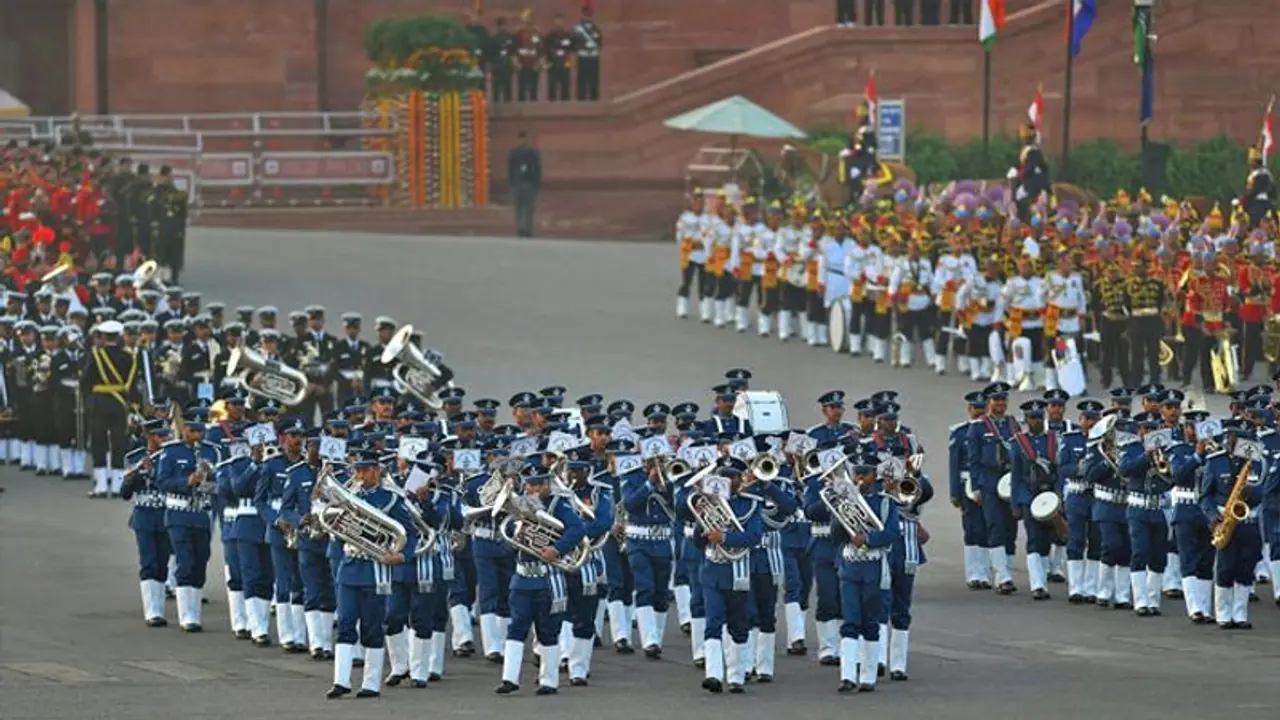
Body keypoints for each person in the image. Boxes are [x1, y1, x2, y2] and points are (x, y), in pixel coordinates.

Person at [327, 451, 415, 699]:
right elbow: (335, 530)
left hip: (376, 570)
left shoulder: (390, 499)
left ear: (376, 470)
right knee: (345, 624)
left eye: (363, 470)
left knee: (372, 627)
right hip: (349, 566)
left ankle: (371, 683)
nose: (358, 475)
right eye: (356, 470)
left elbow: (410, 534)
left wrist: (402, 556)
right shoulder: (348, 496)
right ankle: (341, 681)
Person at [495, 471, 586, 695]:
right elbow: (505, 545)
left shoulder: (559, 505)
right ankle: (509, 678)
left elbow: (578, 529)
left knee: (548, 629)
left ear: (547, 485)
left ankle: (549, 681)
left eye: (537, 485)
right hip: (522, 578)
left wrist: (557, 548)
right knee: (516, 626)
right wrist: (517, 538)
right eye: (529, 485)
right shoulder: (520, 507)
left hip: (548, 578)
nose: (532, 490)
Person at [120, 419, 173, 627]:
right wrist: (134, 477)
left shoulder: (170, 456)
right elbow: (125, 493)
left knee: (162, 562)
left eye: (166, 435)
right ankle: (153, 611)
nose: (164, 439)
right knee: (149, 561)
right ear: (149, 436)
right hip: (144, 514)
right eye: (160, 436)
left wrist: (154, 472)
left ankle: (159, 606)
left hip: (166, 513)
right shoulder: (134, 457)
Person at [79, 320, 139, 497]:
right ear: (120, 336)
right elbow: (133, 384)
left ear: (104, 337)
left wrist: (87, 400)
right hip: (120, 403)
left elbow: (86, 381)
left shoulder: (96, 355)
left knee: (99, 441)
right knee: (119, 442)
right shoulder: (129, 356)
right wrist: (134, 405)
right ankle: (118, 484)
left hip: (99, 402)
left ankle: (102, 484)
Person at [508, 131, 542, 238]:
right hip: (519, 184)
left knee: (528, 208)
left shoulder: (532, 153)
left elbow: (538, 170)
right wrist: (512, 183)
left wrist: (536, 184)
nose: (522, 141)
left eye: (524, 138)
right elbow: (510, 170)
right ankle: (521, 229)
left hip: (528, 184)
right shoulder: (514, 153)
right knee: (520, 208)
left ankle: (527, 229)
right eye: (521, 139)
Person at [574, 3, 603, 101]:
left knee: (594, 80)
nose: (587, 17)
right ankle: (581, 100)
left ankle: (594, 100)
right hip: (583, 57)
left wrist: (593, 46)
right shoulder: (578, 29)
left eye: (589, 15)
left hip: (593, 58)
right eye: (586, 15)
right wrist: (583, 46)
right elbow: (574, 43)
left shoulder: (596, 29)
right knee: (581, 80)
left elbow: (600, 42)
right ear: (582, 15)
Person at [514, 9, 544, 102]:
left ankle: (533, 105)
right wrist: (516, 62)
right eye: (526, 17)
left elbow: (540, 48)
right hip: (522, 63)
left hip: (534, 63)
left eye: (529, 17)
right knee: (521, 87)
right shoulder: (518, 32)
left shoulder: (536, 32)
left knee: (534, 87)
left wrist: (539, 62)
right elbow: (514, 48)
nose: (527, 19)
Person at [544, 12, 575, 102]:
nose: (559, 23)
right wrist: (554, 53)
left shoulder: (568, 36)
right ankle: (551, 105)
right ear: (554, 22)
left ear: (563, 22)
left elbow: (572, 48)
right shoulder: (549, 36)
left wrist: (566, 54)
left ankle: (565, 106)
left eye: (560, 21)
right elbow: (546, 48)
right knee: (552, 86)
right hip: (553, 63)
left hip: (565, 63)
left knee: (565, 86)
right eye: (557, 21)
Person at [490, 17, 516, 103]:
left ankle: (508, 106)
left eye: (504, 25)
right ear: (498, 27)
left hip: (507, 66)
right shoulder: (494, 39)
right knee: (496, 89)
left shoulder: (511, 38)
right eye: (501, 25)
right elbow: (491, 53)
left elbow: (513, 51)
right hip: (497, 66)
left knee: (508, 88)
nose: (503, 27)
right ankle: (496, 106)